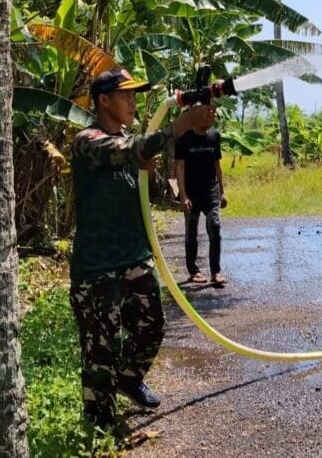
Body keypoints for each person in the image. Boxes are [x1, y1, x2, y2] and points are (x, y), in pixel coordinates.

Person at [69, 68, 216, 430]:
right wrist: (181, 125)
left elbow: (139, 158)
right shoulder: (88, 141)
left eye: (136, 95)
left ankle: (130, 378)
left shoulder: (131, 145)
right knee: (100, 348)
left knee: (152, 325)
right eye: (126, 95)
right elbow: (133, 148)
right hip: (98, 266)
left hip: (134, 256)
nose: (133, 102)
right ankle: (100, 424)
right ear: (104, 101)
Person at [174, 118, 228, 286]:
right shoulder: (184, 140)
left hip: (211, 191)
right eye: (207, 112)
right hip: (191, 192)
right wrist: (183, 195)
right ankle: (194, 271)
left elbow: (217, 165)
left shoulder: (214, 136)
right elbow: (180, 168)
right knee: (191, 231)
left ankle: (216, 271)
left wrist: (222, 192)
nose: (211, 116)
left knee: (215, 226)